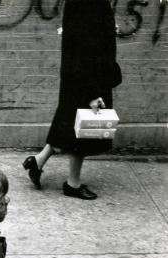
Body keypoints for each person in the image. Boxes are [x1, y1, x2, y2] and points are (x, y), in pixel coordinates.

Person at [23, 0, 122, 199]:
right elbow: (83, 46)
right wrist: (92, 93)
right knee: (83, 131)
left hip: (83, 75)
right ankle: (73, 184)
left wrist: (108, 29)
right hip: (87, 77)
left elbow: (88, 33)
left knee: (69, 122)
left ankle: (37, 161)